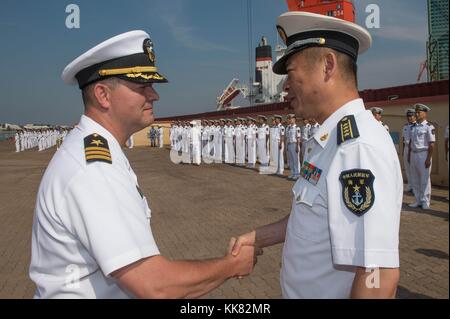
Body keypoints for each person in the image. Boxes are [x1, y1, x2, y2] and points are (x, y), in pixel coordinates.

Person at [29, 30, 254, 299]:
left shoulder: (97, 151)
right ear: (103, 95)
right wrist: (231, 265)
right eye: (141, 87)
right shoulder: (94, 168)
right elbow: (155, 287)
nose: (154, 95)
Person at [230, 11, 401, 298]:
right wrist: (257, 237)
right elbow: (312, 217)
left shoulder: (357, 147)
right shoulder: (329, 139)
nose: (284, 86)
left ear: (327, 66)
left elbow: (377, 274)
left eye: (291, 73)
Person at [408, 103, 435, 210]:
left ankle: (425, 201)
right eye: (416, 112)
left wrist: (428, 158)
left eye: (419, 112)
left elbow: (432, 144)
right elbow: (410, 142)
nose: (417, 114)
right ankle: (418, 200)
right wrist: (409, 155)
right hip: (414, 154)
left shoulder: (429, 127)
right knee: (415, 179)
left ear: (425, 113)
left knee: (424, 179)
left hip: (424, 154)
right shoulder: (413, 127)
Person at [402, 108, 417, 193]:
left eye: (411, 116)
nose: (410, 118)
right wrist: (404, 150)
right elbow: (403, 139)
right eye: (408, 116)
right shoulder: (405, 126)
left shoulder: (417, 126)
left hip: (414, 148)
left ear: (415, 116)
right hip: (407, 148)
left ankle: (415, 186)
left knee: (414, 168)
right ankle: (410, 185)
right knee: (407, 168)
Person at [285, 114, 301, 180]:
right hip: (289, 144)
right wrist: (287, 146)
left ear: (294, 119)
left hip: (295, 144)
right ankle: (292, 173)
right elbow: (287, 137)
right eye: (289, 119)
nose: (290, 120)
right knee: (291, 160)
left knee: (295, 160)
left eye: (291, 119)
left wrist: (297, 146)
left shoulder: (297, 128)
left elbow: (298, 138)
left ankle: (297, 174)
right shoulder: (288, 127)